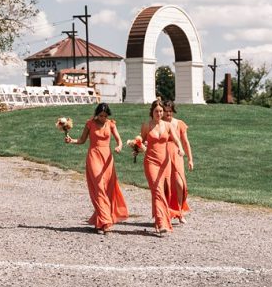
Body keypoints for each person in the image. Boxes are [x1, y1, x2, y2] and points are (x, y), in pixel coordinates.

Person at [66, 103, 128, 234]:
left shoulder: (111, 124)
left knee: (107, 189)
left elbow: (119, 140)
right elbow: (82, 140)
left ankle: (100, 221)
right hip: (94, 155)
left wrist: (119, 146)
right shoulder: (90, 124)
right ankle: (106, 222)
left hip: (107, 159)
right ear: (96, 114)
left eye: (105, 116)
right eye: (100, 115)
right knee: (99, 187)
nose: (103, 118)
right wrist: (71, 140)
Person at [140, 99, 184, 235]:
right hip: (151, 161)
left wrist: (180, 148)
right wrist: (139, 146)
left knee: (165, 191)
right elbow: (141, 140)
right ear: (151, 112)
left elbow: (176, 139)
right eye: (156, 111)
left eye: (161, 111)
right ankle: (161, 222)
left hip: (165, 163)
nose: (159, 113)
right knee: (157, 190)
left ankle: (161, 219)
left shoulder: (168, 125)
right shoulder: (147, 125)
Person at [162, 99, 193, 223]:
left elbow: (185, 142)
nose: (168, 114)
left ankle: (180, 211)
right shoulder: (160, 124)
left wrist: (190, 159)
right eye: (165, 111)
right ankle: (166, 213)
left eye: (170, 111)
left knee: (180, 184)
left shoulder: (179, 123)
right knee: (166, 186)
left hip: (177, 154)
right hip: (163, 155)